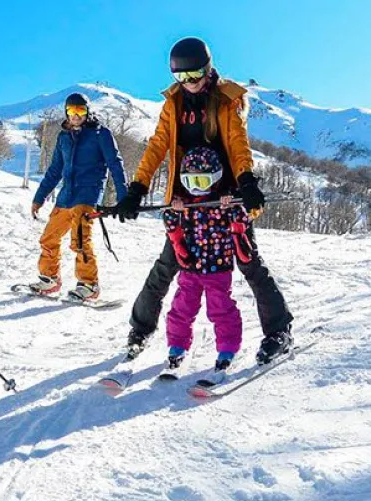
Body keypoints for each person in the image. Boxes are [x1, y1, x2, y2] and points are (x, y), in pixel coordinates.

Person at [113, 37, 294, 364]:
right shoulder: (174, 103)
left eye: (193, 76)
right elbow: (157, 146)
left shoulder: (227, 100)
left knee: (249, 261)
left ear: (207, 69)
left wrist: (247, 182)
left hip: (225, 198)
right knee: (167, 264)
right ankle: (139, 330)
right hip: (188, 197)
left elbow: (238, 144)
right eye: (180, 78)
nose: (188, 84)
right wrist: (137, 188)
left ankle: (279, 331)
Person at [25, 93, 128, 302]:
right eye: (72, 111)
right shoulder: (63, 137)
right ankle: (50, 279)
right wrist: (39, 197)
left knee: (80, 239)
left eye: (80, 111)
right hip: (66, 195)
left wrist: (125, 197)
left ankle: (89, 284)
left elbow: (116, 165)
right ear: (66, 113)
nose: (76, 116)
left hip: (88, 194)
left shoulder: (101, 134)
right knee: (49, 237)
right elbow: (55, 170)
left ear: (88, 112)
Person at [161, 146, 252, 382]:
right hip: (190, 267)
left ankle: (227, 349)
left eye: (201, 181)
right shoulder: (186, 203)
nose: (195, 187)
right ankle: (176, 348)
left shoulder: (223, 203)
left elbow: (243, 220)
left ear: (215, 178)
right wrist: (174, 210)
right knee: (181, 308)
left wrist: (230, 205)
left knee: (221, 309)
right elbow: (171, 225)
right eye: (190, 181)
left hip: (217, 267)